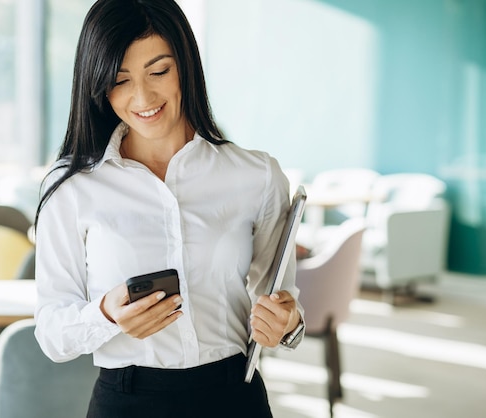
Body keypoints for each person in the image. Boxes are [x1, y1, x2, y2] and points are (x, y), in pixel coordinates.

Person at [33, 1, 305, 417]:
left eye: (158, 71)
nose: (142, 97)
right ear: (98, 85)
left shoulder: (257, 176)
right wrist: (107, 315)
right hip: (127, 400)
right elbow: (52, 334)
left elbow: (280, 299)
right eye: (120, 80)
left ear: (186, 67)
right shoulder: (72, 187)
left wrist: (287, 323)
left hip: (234, 397)